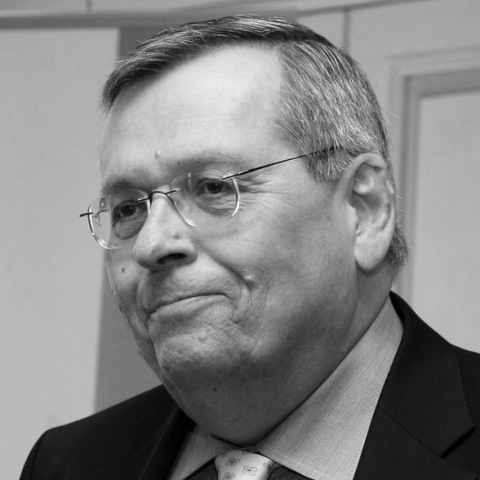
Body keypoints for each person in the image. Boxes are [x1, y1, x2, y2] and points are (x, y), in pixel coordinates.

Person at [21, 14, 480, 480]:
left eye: (214, 188)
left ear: (364, 209)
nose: (151, 244)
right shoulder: (65, 464)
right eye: (127, 209)